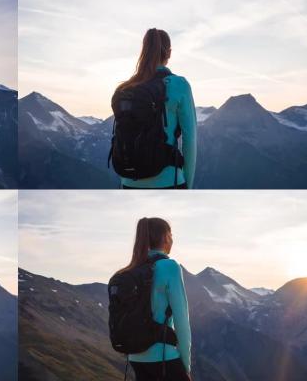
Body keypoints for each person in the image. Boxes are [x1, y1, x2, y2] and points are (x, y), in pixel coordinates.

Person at [113, 28, 196, 189]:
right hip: (169, 180)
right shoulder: (179, 85)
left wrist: (125, 181)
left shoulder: (124, 89)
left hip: (128, 181)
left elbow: (122, 136)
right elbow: (190, 141)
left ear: (144, 50)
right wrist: (188, 186)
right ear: (169, 53)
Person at [116, 217, 191, 381]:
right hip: (164, 358)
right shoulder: (169, 267)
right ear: (165, 237)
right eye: (171, 235)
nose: (172, 239)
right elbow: (181, 321)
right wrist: (185, 365)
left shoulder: (128, 271)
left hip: (136, 358)